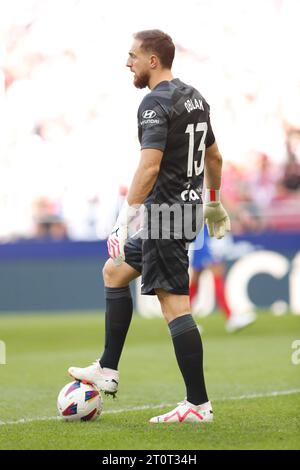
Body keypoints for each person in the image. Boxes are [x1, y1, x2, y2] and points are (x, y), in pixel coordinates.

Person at [68, 30, 230, 424]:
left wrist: (123, 220)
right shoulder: (195, 96)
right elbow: (215, 156)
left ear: (152, 60)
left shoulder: (154, 102)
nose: (128, 63)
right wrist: (213, 203)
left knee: (174, 305)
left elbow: (150, 166)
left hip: (165, 215)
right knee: (114, 271)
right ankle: (107, 368)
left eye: (133, 56)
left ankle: (198, 405)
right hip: (185, 211)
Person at [190, 226, 256, 332]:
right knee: (215, 271)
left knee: (196, 278)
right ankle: (230, 318)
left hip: (201, 231)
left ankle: (180, 321)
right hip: (201, 231)